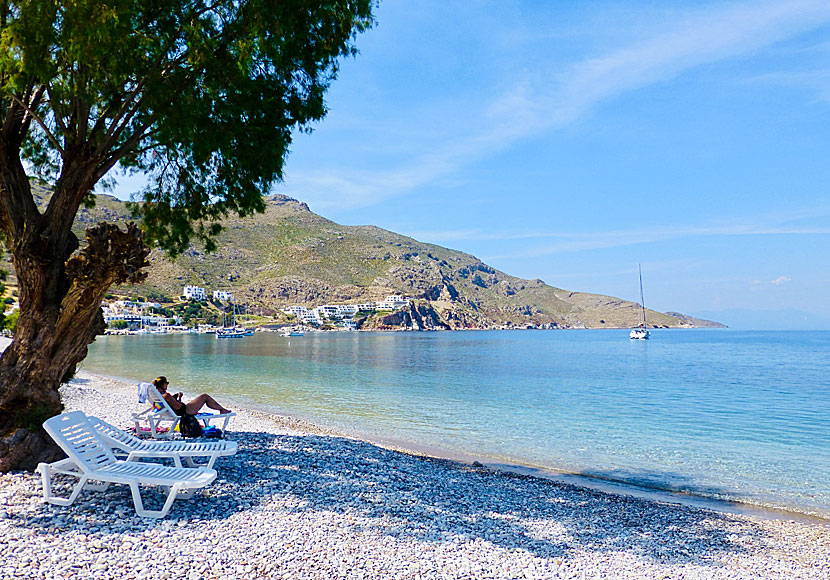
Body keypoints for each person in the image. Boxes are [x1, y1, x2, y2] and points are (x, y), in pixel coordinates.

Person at [152, 376, 232, 416]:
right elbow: (178, 407)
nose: (167, 385)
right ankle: (222, 410)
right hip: (185, 411)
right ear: (162, 385)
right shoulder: (166, 395)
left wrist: (176, 398)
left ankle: (222, 409)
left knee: (204, 396)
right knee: (204, 396)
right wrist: (179, 398)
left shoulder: (157, 395)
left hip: (178, 411)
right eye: (167, 383)